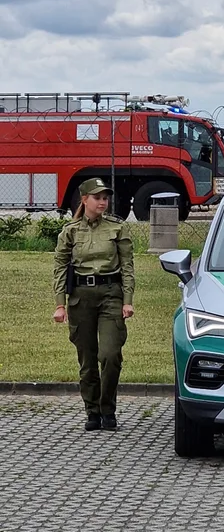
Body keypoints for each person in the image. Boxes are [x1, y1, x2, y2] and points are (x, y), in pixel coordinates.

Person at [53, 178, 135, 431]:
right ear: (84, 199)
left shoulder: (117, 228)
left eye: (105, 197)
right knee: (87, 360)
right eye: (97, 197)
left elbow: (128, 267)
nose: (103, 201)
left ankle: (108, 407)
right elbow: (59, 268)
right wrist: (60, 304)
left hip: (111, 295)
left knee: (110, 354)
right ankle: (93, 411)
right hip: (81, 297)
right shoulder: (71, 230)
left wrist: (127, 301)